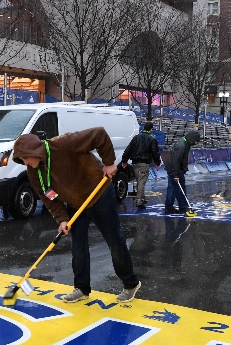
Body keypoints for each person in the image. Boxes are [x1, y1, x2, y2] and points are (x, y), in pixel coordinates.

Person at [12, 127, 141, 304]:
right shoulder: (33, 171)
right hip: (75, 203)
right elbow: (47, 196)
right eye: (22, 160)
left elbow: (100, 134)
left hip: (98, 194)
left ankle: (130, 283)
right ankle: (81, 288)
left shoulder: (64, 144)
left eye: (26, 157)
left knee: (114, 240)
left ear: (36, 151)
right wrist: (62, 219)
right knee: (78, 245)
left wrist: (109, 162)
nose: (25, 162)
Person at [120, 122, 162, 208]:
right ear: (151, 129)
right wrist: (158, 163)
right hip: (144, 163)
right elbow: (155, 152)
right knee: (142, 181)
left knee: (139, 181)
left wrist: (124, 160)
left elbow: (128, 149)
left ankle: (142, 197)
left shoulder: (136, 137)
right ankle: (139, 201)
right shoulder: (152, 139)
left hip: (134, 163)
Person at [164, 130, 201, 214]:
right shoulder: (181, 145)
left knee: (176, 188)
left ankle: (175, 206)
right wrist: (175, 174)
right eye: (195, 141)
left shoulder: (186, 143)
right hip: (175, 170)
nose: (195, 143)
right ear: (191, 138)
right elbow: (175, 160)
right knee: (176, 189)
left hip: (177, 169)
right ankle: (177, 207)